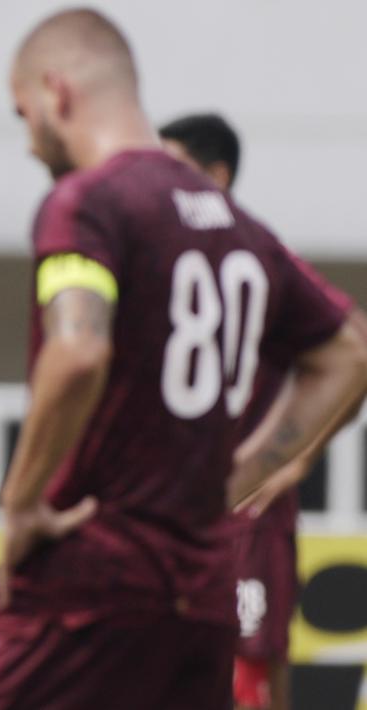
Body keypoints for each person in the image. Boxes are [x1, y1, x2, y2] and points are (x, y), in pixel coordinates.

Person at [0, 9, 367, 710]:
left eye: (22, 114)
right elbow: (348, 350)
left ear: (55, 92)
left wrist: (19, 502)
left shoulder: (87, 203)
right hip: (203, 588)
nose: (26, 143)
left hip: (86, 578)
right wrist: (244, 478)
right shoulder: (240, 227)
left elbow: (77, 351)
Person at [161, 112, 367, 710]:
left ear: (217, 176)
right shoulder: (165, 259)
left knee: (254, 666)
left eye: (177, 167)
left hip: (247, 509)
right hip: (172, 511)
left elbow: (355, 349)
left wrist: (295, 461)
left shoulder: (256, 255)